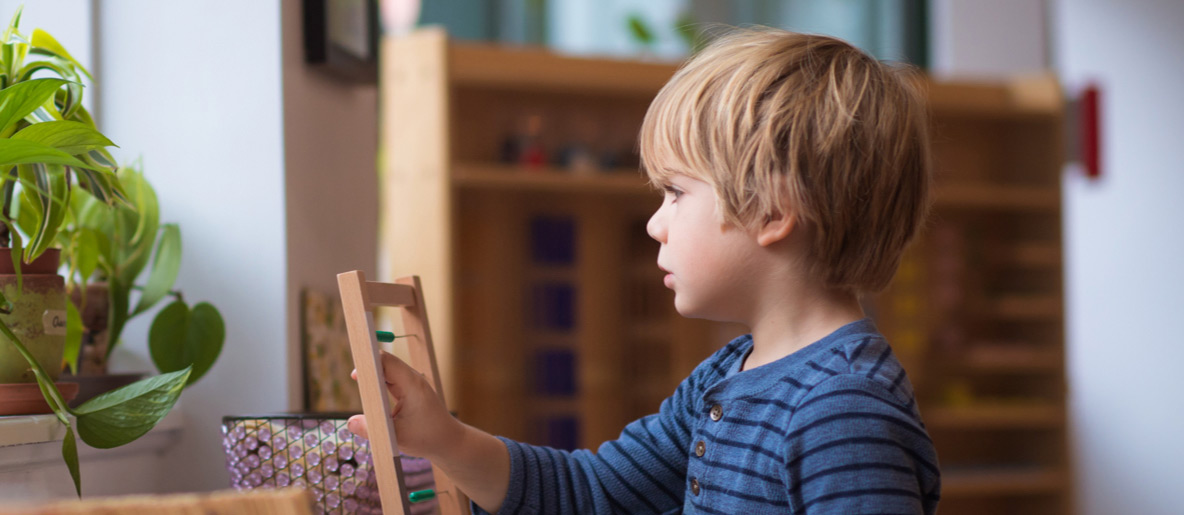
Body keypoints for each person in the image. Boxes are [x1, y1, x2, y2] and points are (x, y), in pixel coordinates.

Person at [351, 28, 940, 514]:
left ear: (773, 211)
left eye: (676, 193)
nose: (656, 224)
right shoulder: (727, 375)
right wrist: (442, 440)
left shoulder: (843, 413)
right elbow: (594, 493)